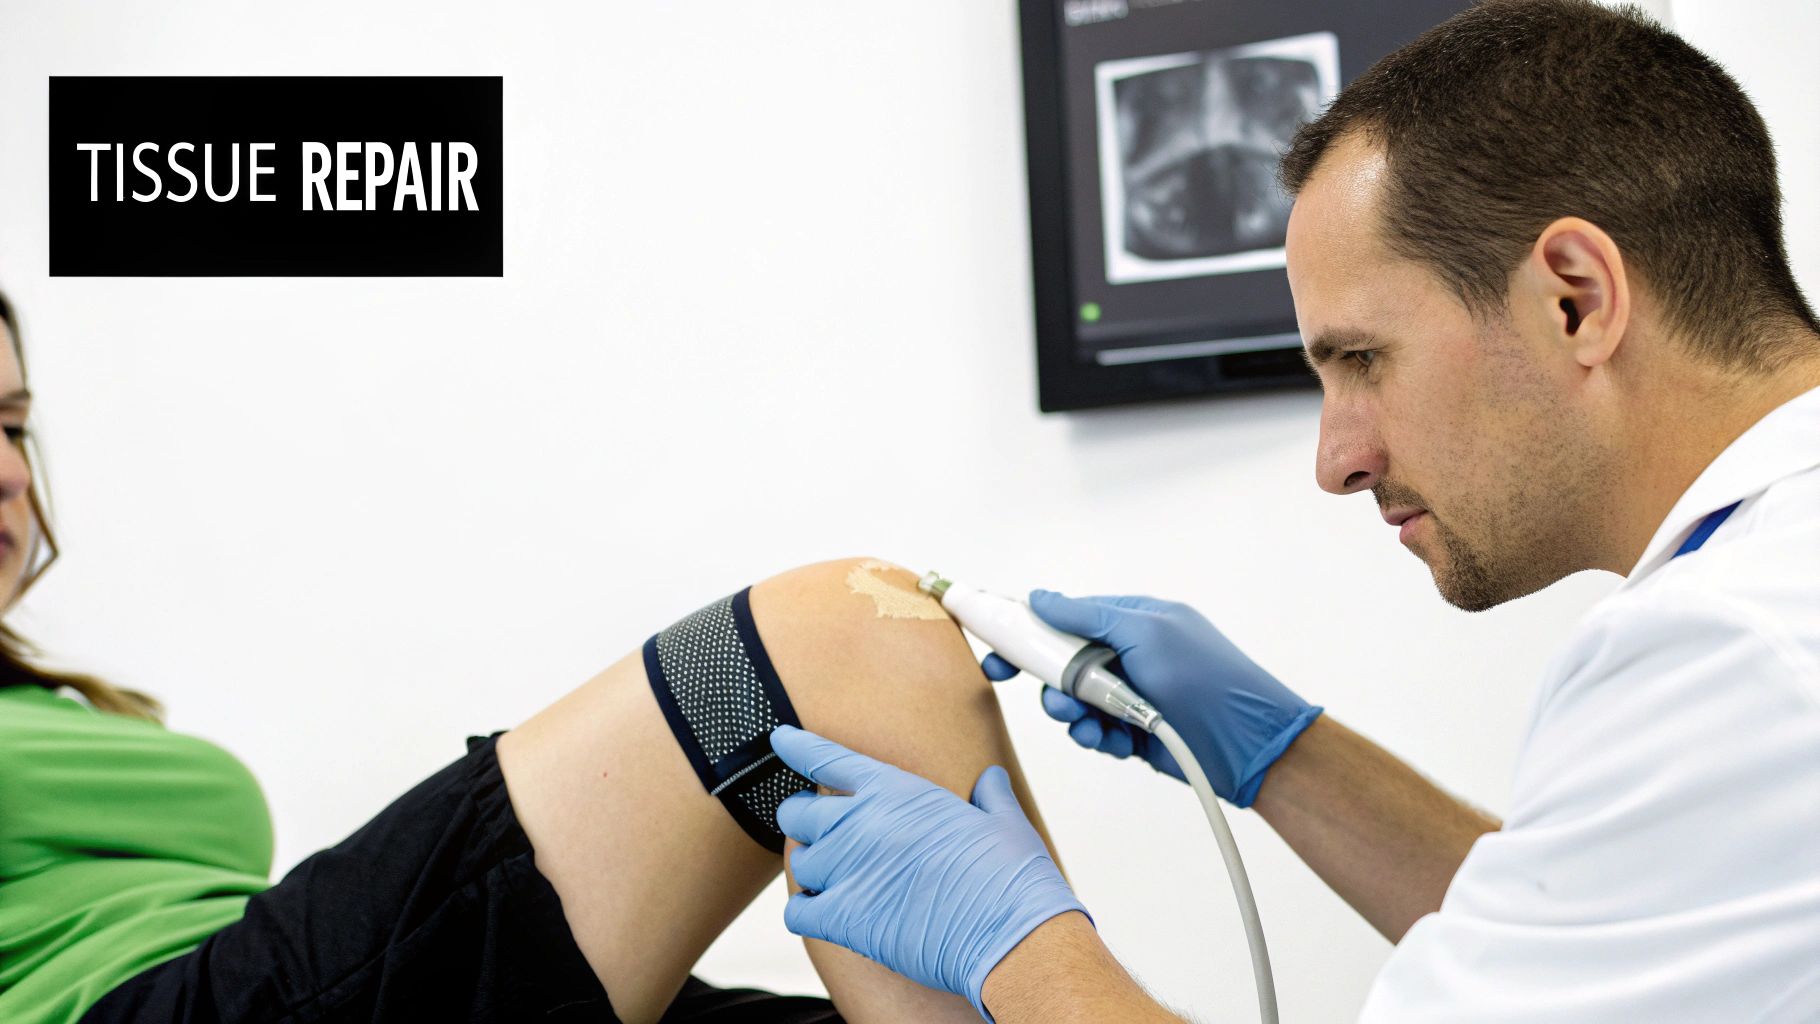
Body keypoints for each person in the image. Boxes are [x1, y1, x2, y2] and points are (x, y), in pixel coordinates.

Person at [763, 2, 1820, 1021]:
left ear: (1573, 299)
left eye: (1362, 357)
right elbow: (1595, 939)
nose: (1336, 462)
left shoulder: (1735, 656)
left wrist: (1015, 947)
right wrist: (1282, 753)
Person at [0, 307, 1078, 1020]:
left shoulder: (72, 714)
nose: (9, 470)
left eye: (12, 426)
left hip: (256, 966)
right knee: (838, 638)